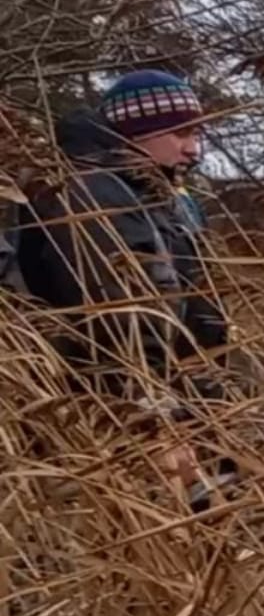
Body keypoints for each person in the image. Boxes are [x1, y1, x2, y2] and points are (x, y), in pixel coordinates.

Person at [7, 70, 230, 496]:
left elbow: (191, 299)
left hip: (180, 393)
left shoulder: (163, 198)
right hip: (120, 405)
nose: (193, 148)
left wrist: (211, 391)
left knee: (214, 509)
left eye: (197, 133)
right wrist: (159, 414)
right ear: (135, 133)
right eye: (180, 133)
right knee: (165, 520)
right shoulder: (91, 195)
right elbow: (117, 317)